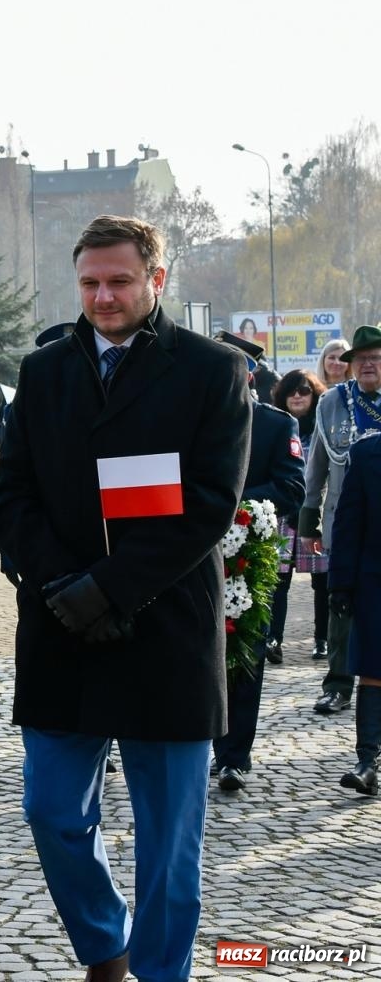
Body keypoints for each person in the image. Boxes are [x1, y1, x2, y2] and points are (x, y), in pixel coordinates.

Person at [0, 214, 250, 982]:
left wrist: (108, 588)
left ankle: (164, 972)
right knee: (51, 810)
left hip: (165, 629)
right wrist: (61, 586)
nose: (103, 297)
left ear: (157, 280)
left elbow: (209, 503)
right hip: (61, 626)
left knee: (171, 840)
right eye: (90, 283)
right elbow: (12, 498)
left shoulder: (212, 369)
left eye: (119, 281)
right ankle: (106, 944)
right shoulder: (42, 372)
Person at [210, 331, 305, 793]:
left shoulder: (274, 425)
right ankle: (196, 746)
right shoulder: (193, 421)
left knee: (242, 653)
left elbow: (292, 488)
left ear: (249, 373)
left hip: (248, 553)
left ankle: (233, 757)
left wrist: (235, 504)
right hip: (189, 552)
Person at [301, 326, 381, 716]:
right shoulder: (333, 402)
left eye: (376, 358)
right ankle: (337, 684)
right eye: (361, 359)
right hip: (345, 520)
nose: (367, 364)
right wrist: (308, 520)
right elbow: (316, 463)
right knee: (341, 603)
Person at [329, 432, 381, 796]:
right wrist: (340, 585)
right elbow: (348, 524)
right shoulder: (366, 454)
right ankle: (368, 763)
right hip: (375, 581)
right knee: (375, 671)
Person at [271, 369, 331, 659]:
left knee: (323, 582)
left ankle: (322, 639)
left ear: (314, 394)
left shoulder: (322, 426)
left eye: (304, 390)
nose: (297, 395)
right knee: (278, 580)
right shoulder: (277, 426)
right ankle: (274, 639)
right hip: (283, 513)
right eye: (292, 390)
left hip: (314, 513)